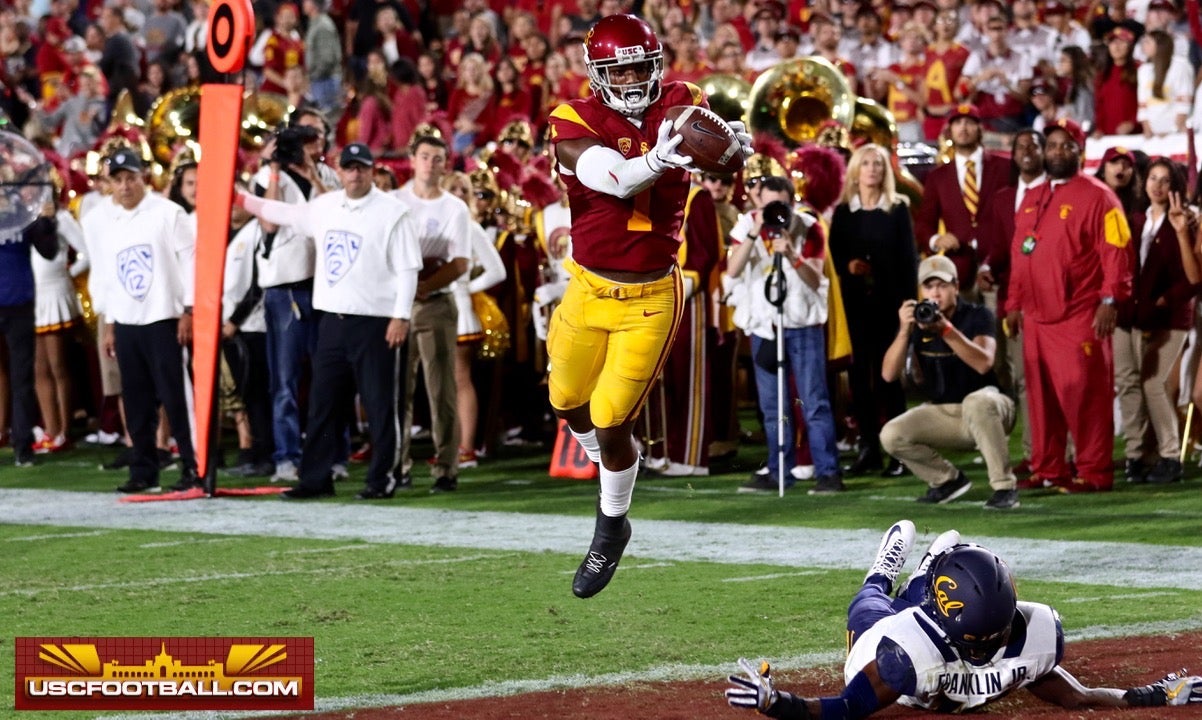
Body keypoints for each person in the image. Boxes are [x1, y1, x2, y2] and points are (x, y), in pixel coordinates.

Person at [545, 13, 751, 599]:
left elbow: (724, 157)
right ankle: (615, 465)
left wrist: (734, 148)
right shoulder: (573, 117)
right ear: (598, 73)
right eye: (622, 68)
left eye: (642, 65)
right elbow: (612, 179)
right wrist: (659, 161)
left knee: (612, 418)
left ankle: (610, 525)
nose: (634, 77)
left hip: (652, 293)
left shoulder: (684, 102)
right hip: (587, 285)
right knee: (565, 401)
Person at [724, 519, 1202, 718]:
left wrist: (1155, 694)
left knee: (935, 573)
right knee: (869, 602)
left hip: (933, 628)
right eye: (978, 643)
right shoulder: (900, 655)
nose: (986, 653)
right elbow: (845, 709)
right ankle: (886, 567)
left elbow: (1078, 697)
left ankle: (932, 566)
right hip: (881, 637)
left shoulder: (1026, 635)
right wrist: (778, 702)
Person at [236, 142, 422, 500]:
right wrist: (240, 197)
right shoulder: (325, 207)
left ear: (371, 170)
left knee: (381, 405)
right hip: (332, 321)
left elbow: (407, 269)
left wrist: (400, 316)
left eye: (361, 168)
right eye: (349, 168)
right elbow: (283, 214)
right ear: (339, 170)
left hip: (376, 321)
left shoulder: (392, 211)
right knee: (323, 403)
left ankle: (382, 478)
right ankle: (315, 478)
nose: (354, 174)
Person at [1004, 118, 1133, 493]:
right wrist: (1013, 302)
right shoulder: (1032, 196)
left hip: (1079, 313)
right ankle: (1048, 469)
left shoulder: (1099, 196)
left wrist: (1110, 299)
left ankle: (1094, 471)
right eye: (1053, 145)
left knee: (1085, 393)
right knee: (1041, 399)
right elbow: (1020, 254)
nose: (1058, 152)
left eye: (1067, 146)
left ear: (1081, 151)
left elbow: (1117, 252)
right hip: (1036, 316)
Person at [84, 148, 197, 493]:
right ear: (108, 184)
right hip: (127, 321)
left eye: (130, 178)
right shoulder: (104, 222)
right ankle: (143, 470)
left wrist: (188, 309)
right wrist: (111, 323)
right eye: (117, 180)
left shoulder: (168, 213)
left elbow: (191, 260)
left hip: (164, 317)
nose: (125, 186)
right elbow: (104, 274)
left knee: (177, 398)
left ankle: (194, 466)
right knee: (136, 402)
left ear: (142, 177)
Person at [724, 175, 842, 494]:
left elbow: (816, 279)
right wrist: (754, 230)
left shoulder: (808, 226)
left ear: (793, 202)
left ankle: (828, 473)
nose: (776, 211)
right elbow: (732, 271)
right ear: (758, 202)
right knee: (773, 406)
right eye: (768, 204)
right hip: (766, 327)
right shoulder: (746, 225)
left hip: (802, 326)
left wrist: (792, 254)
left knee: (813, 401)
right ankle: (779, 470)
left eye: (782, 204)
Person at [880, 255, 1018, 509]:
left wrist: (946, 330)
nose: (936, 293)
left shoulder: (977, 314)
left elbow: (983, 362)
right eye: (929, 286)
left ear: (956, 286)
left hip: (992, 408)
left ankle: (1004, 487)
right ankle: (947, 480)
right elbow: (888, 375)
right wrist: (903, 331)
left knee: (975, 402)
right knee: (891, 434)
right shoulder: (918, 321)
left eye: (942, 285)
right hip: (947, 413)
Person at [828, 143, 919, 478]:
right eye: (865, 163)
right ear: (855, 170)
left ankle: (900, 452)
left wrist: (907, 310)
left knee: (889, 380)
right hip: (854, 308)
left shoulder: (898, 209)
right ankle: (868, 449)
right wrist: (847, 266)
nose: (872, 169)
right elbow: (834, 257)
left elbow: (909, 262)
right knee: (859, 381)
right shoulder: (843, 213)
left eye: (878, 163)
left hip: (890, 307)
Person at [1114, 158, 1199, 485]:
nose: (1158, 185)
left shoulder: (1186, 222)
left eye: (1165, 180)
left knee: (1153, 383)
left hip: (1170, 318)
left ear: (1175, 186)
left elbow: (1192, 279)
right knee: (1128, 382)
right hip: (1129, 316)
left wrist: (1163, 301)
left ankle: (1169, 455)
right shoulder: (1133, 220)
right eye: (1153, 178)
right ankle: (1135, 456)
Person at [393, 134, 471, 492]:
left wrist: (421, 285)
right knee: (396, 390)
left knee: (441, 391)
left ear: (445, 164)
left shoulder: (455, 207)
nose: (430, 164)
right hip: (397, 305)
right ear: (412, 159)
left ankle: (446, 468)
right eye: (424, 156)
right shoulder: (393, 202)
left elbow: (460, 262)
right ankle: (397, 465)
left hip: (435, 302)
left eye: (437, 158)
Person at [977, 129, 1046, 477]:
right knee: (1014, 376)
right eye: (1021, 146)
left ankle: (1051, 454)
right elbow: (999, 247)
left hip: (1048, 301)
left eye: (1034, 145)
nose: (1027, 151)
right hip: (1010, 299)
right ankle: (1030, 454)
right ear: (1014, 155)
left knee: (1042, 379)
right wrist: (988, 266)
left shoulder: (1053, 193)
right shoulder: (1003, 199)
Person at [915, 103, 1011, 295]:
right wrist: (936, 239)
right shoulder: (937, 176)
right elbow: (924, 223)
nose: (964, 128)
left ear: (980, 128)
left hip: (999, 268)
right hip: (958, 272)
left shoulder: (1005, 167)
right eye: (958, 122)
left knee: (996, 324)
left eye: (969, 122)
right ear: (950, 130)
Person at [0, 198, 58, 468]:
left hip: (19, 304)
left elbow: (49, 251)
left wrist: (47, 222)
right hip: (16, 300)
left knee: (22, 378)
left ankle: (22, 445)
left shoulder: (23, 212)